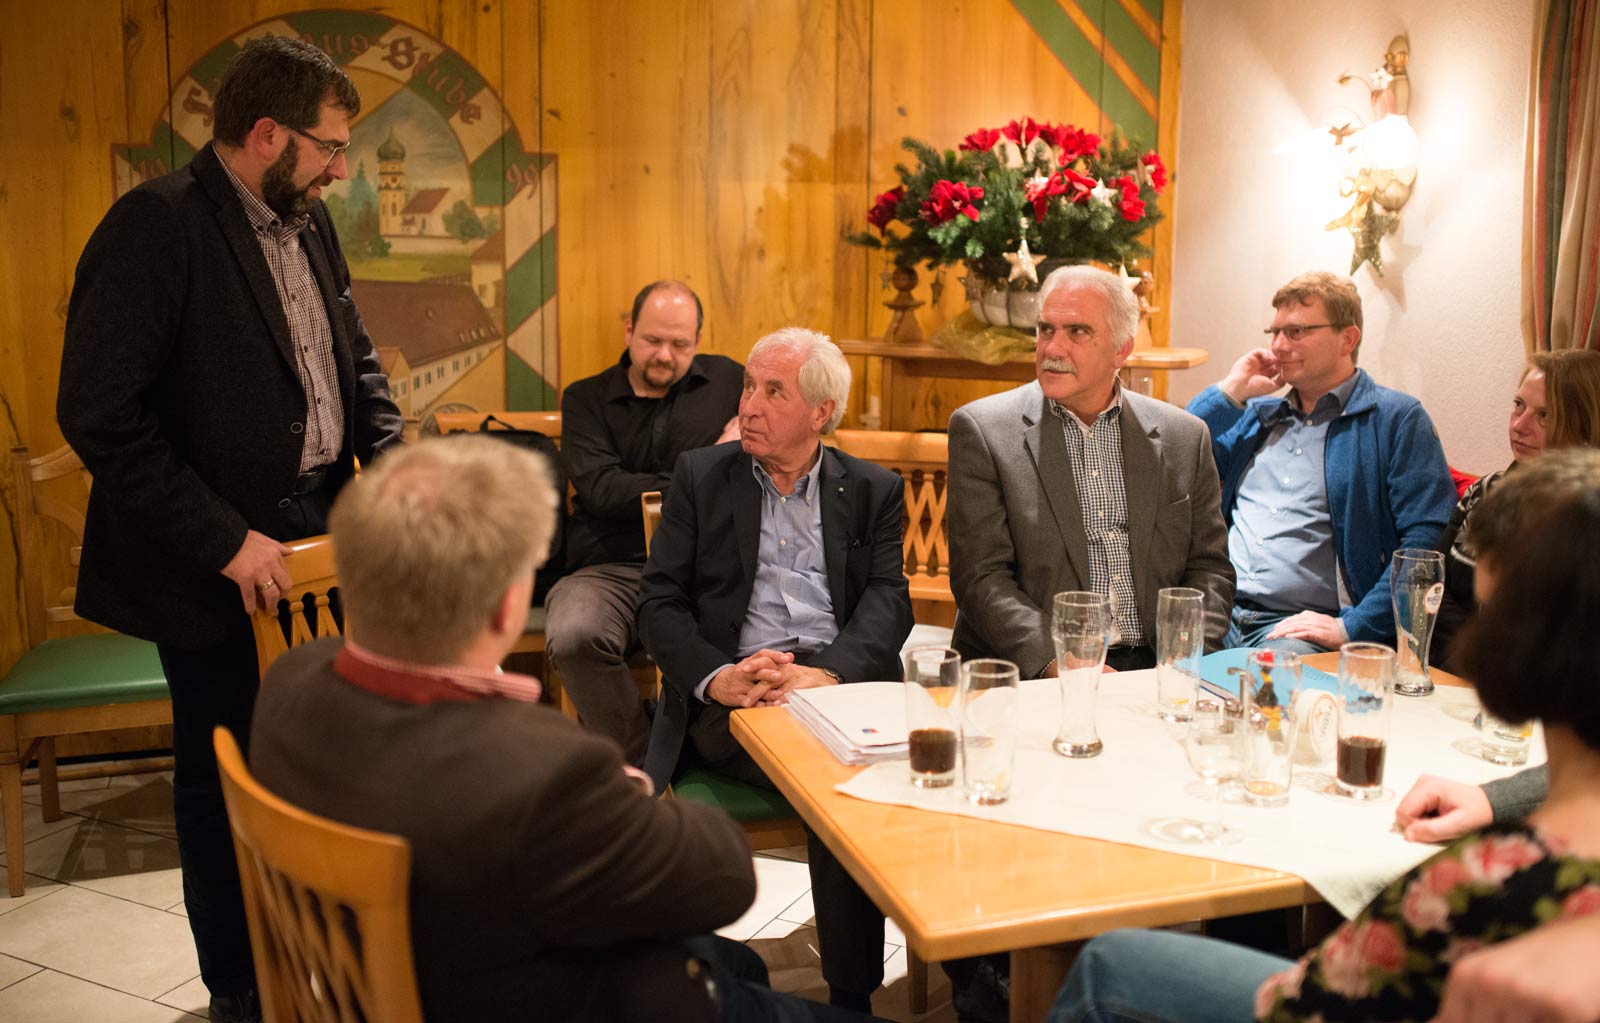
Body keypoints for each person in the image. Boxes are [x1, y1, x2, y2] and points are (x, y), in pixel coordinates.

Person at [250, 437, 880, 1023]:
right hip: (566, 999)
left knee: (737, 963)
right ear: (506, 606)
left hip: (410, 979)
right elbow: (724, 880)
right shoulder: (538, 769)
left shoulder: (288, 686)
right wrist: (622, 793)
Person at [55, 37, 404, 1023]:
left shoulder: (309, 219)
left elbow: (353, 358)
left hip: (322, 538)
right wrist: (223, 540)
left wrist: (392, 474)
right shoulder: (157, 225)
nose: (342, 168)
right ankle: (241, 991)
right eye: (330, 146)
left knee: (325, 763)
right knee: (229, 783)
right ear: (267, 134)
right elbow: (98, 415)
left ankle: (326, 965)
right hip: (217, 561)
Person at [1046, 448, 1600, 1023]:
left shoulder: (1469, 886)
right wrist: (1493, 797)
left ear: (1524, 645)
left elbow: (1304, 999)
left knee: (1109, 963)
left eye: (1490, 614)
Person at [638, 328, 913, 1013]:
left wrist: (830, 674)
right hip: (738, 693)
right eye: (748, 386)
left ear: (821, 412)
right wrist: (717, 676)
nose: (748, 406)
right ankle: (850, 999)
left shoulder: (873, 488)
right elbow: (658, 604)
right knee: (837, 781)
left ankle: (965, 966)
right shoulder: (702, 476)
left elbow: (889, 599)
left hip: (835, 687)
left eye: (773, 391)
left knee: (927, 765)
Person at [948, 264, 1234, 675]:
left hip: (1157, 668)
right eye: (1046, 330)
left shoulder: (1185, 436)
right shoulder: (983, 430)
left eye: (1077, 332)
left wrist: (1186, 659)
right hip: (1040, 672)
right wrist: (1062, 663)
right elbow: (981, 579)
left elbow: (1210, 570)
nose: (1053, 348)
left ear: (1121, 350)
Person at [1187, 271, 1456, 653]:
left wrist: (1355, 626)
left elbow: (1426, 544)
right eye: (1275, 332)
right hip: (1219, 612)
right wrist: (1231, 391)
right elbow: (1177, 454)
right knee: (1162, 672)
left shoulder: (1395, 419)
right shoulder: (1259, 415)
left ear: (1348, 338)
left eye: (1296, 332)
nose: (1278, 345)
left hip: (1300, 630)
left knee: (1271, 685)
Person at [545, 280, 743, 763]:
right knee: (574, 636)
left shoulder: (732, 383)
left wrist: (666, 481)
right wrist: (705, 467)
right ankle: (645, 769)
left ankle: (714, 757)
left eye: (680, 344)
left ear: (698, 340)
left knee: (771, 631)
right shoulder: (586, 398)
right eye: (653, 340)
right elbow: (603, 492)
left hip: (703, 570)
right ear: (629, 330)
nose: (665, 355)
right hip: (611, 569)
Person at [1431, 348, 1600, 668]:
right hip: (1459, 672)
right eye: (1518, 405)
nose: (1519, 425)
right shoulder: (1486, 492)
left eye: (1544, 415)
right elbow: (1430, 581)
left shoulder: (1586, 520)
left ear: (1586, 427)